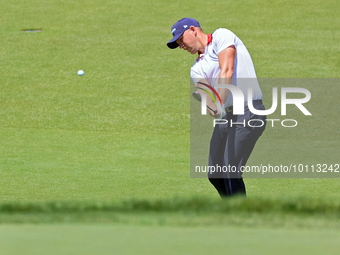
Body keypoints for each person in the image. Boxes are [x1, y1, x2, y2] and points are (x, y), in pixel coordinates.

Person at [167, 18, 266, 197]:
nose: (181, 46)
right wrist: (213, 108)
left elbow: (226, 70)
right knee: (215, 174)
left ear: (193, 30)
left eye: (181, 39)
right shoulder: (196, 70)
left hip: (249, 111)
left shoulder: (222, 35)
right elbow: (209, 100)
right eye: (178, 44)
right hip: (227, 117)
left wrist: (218, 101)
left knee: (230, 169)